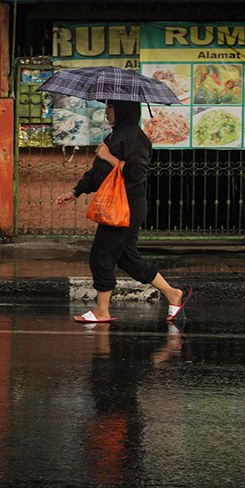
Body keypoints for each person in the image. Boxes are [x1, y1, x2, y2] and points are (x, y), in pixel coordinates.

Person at [56, 100, 191, 323]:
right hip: (120, 206)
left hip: (126, 207)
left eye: (111, 107)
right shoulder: (116, 135)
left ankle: (102, 311)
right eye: (108, 107)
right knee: (128, 258)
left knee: (101, 255)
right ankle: (171, 293)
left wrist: (108, 156)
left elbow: (137, 173)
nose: (107, 111)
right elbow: (99, 172)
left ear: (124, 110)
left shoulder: (134, 137)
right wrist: (76, 191)